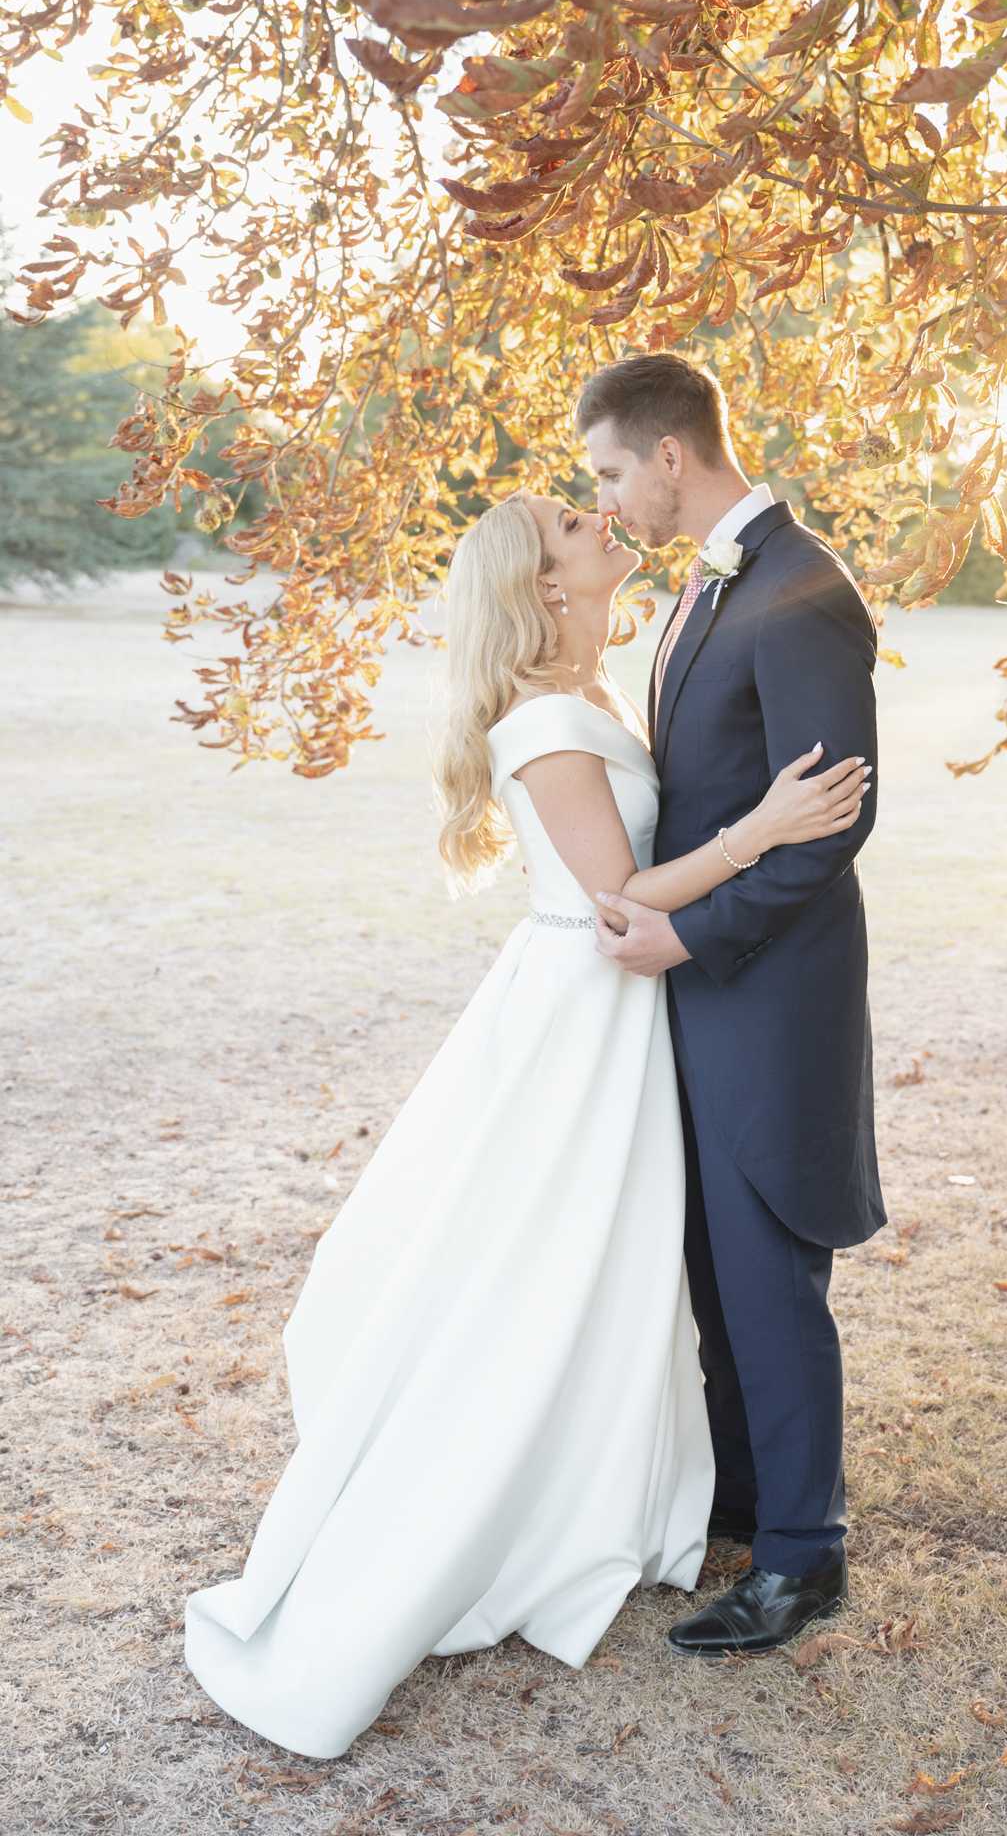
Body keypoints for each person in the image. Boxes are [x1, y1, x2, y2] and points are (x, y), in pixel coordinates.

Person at [182, 481, 870, 1759]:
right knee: (541, 1264)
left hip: (620, 1012)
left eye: (592, 499)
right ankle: (505, 1500)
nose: (600, 519)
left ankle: (645, 1480)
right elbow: (619, 901)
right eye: (572, 522)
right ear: (543, 587)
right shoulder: (549, 717)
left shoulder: (600, 688)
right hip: (583, 1006)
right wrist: (763, 829)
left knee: (608, 1264)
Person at [575, 352, 884, 1659]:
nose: (604, 499)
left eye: (606, 471)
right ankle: (749, 1505)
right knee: (711, 1259)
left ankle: (805, 1560)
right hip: (702, 986)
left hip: (768, 991)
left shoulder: (803, 596)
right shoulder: (714, 588)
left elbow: (824, 835)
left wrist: (687, 937)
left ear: (670, 457)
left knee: (767, 1272)